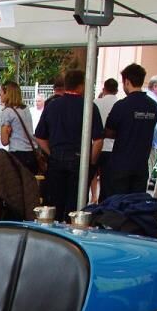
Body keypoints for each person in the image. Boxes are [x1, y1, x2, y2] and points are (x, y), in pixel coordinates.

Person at [34, 68, 103, 221]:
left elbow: (39, 136)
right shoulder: (89, 107)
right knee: (75, 207)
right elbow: (98, 140)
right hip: (79, 160)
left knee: (55, 204)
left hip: (56, 159)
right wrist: (91, 163)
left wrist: (51, 153)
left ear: (66, 85)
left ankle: (55, 230)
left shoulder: (52, 106)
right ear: (81, 85)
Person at [100, 64, 157, 200]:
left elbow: (109, 131)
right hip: (141, 165)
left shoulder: (122, 105)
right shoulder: (153, 106)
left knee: (115, 204)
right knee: (134, 204)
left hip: (120, 165)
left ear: (127, 81)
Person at [0, 81, 38, 174]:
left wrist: (8, 133)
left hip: (18, 154)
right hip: (32, 153)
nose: (0, 95)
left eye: (1, 92)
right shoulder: (26, 109)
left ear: (7, 93)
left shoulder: (7, 112)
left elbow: (4, 141)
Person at [91, 77, 121, 201]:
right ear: (117, 90)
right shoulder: (119, 104)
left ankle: (93, 196)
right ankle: (104, 200)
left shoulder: (95, 103)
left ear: (104, 89)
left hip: (95, 145)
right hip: (113, 147)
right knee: (107, 179)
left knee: (92, 172)